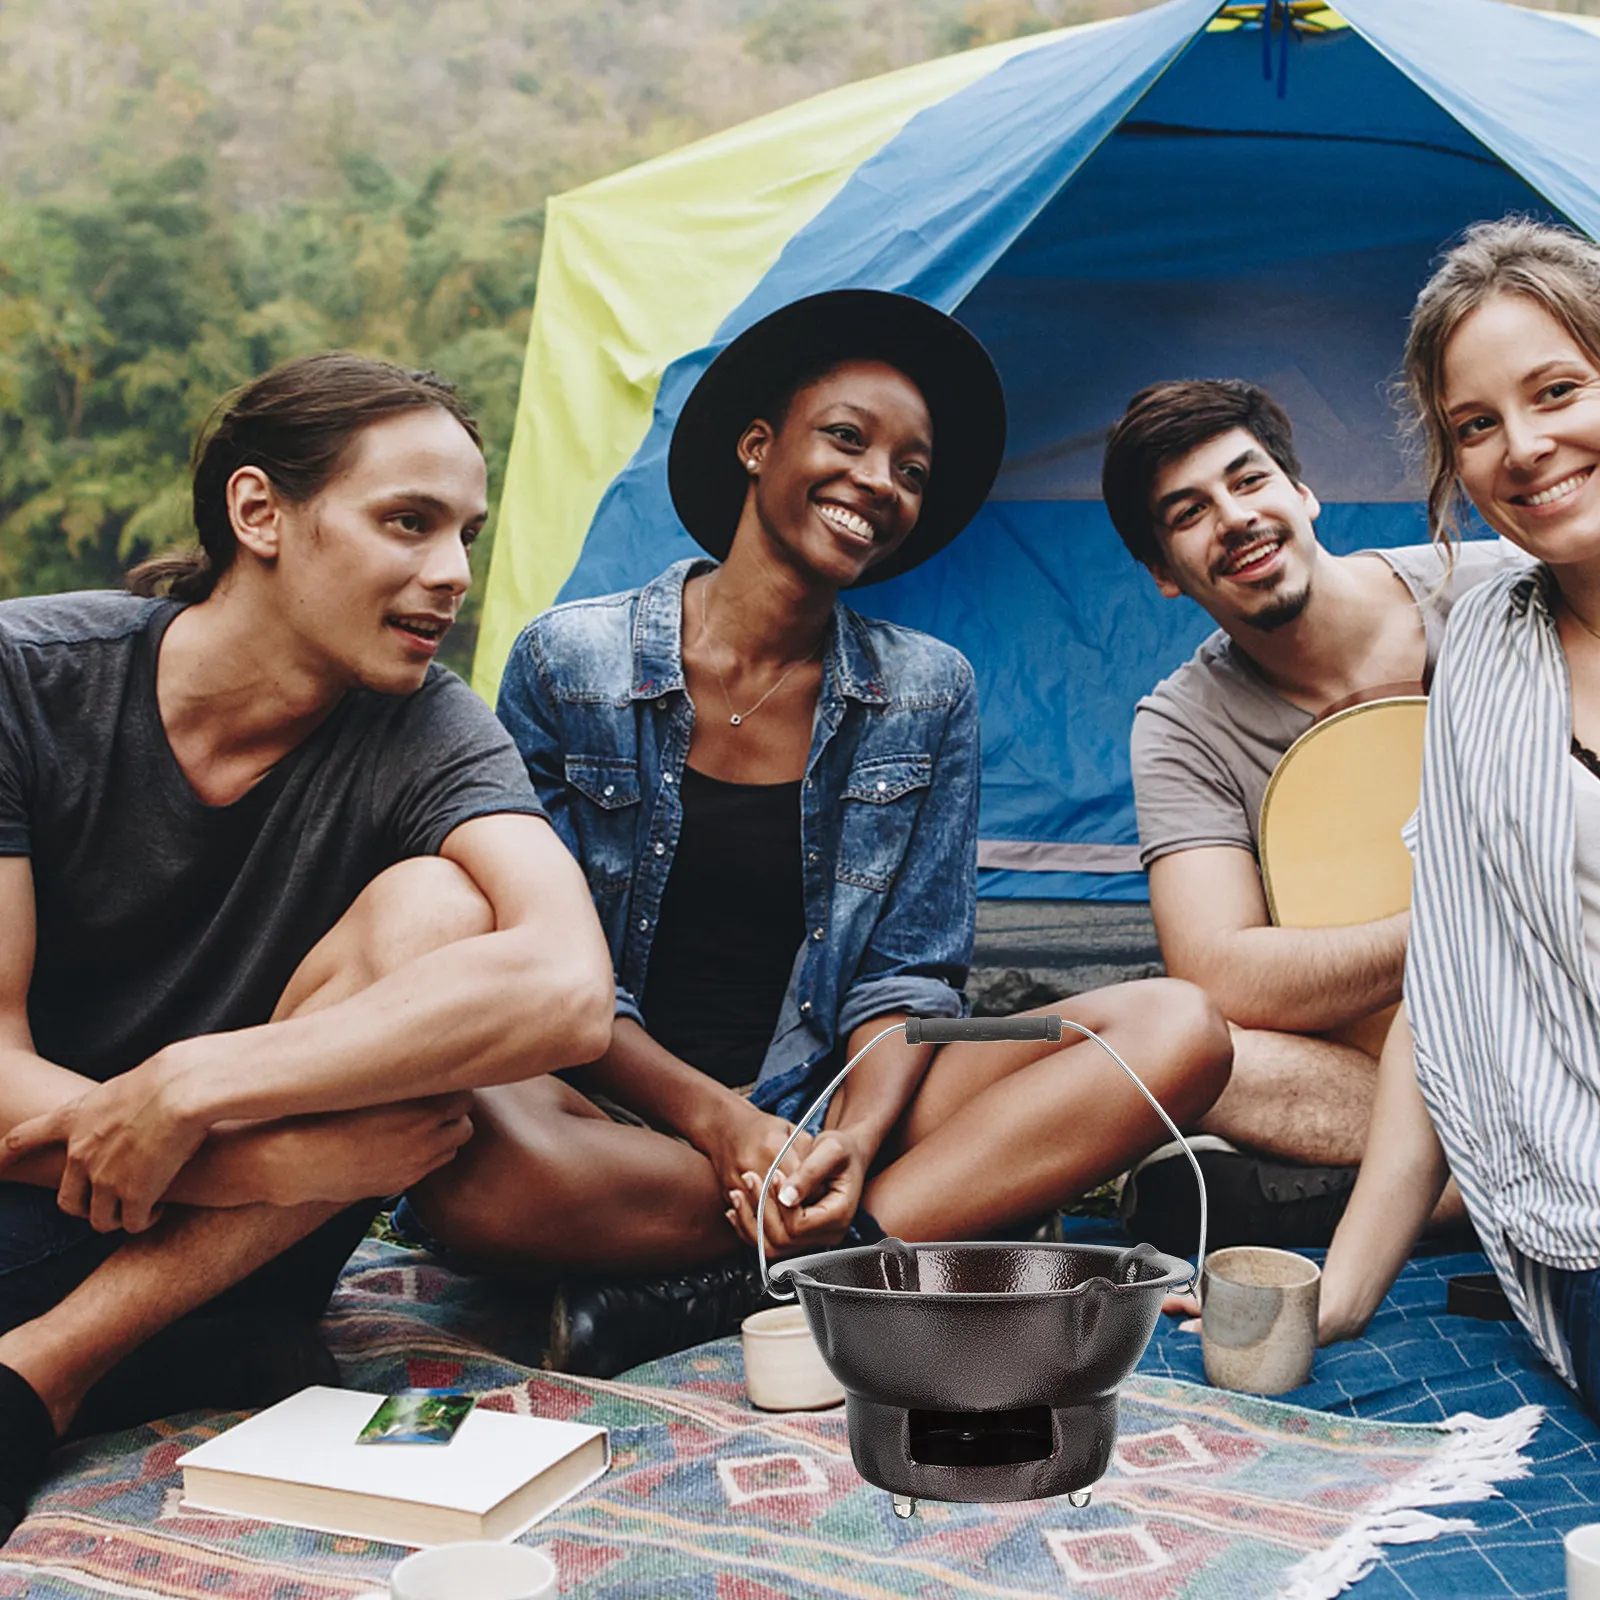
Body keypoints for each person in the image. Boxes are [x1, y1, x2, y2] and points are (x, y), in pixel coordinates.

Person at [410, 290, 1233, 1375]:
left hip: (847, 1093)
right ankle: (886, 1235)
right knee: (467, 1153)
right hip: (610, 1098)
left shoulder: (927, 691)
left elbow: (907, 982)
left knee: (1177, 1027)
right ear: (757, 446)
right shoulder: (571, 663)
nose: (877, 483)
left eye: (910, 469)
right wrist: (725, 1127)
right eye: (846, 437)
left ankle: (731, 1278)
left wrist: (841, 1135)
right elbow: (549, 980)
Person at [0, 353, 613, 1542]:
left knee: (440, 909)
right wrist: (271, 1165)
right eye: (407, 522)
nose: (453, 574)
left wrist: (196, 1082)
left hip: (232, 1273)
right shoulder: (28, 680)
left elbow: (567, 986)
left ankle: (48, 1369)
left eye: (466, 535)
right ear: (258, 512)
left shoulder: (431, 724)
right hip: (47, 1206)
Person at [1099, 379, 1518, 1248]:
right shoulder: (1180, 725)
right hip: (1370, 1067)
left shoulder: (1500, 594)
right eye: (1188, 513)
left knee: (1196, 1186)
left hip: (1565, 1020)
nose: (1234, 518)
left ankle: (1406, 1198)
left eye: (1248, 481)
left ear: (1303, 492)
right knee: (1180, 1047)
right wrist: (1456, 921)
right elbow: (1219, 972)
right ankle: (1501, 1182)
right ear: (1162, 575)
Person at [1314, 219, 1600, 1408]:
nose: (1523, 449)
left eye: (1558, 391)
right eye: (1474, 425)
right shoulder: (1484, 640)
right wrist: (1338, 1287)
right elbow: (1450, 985)